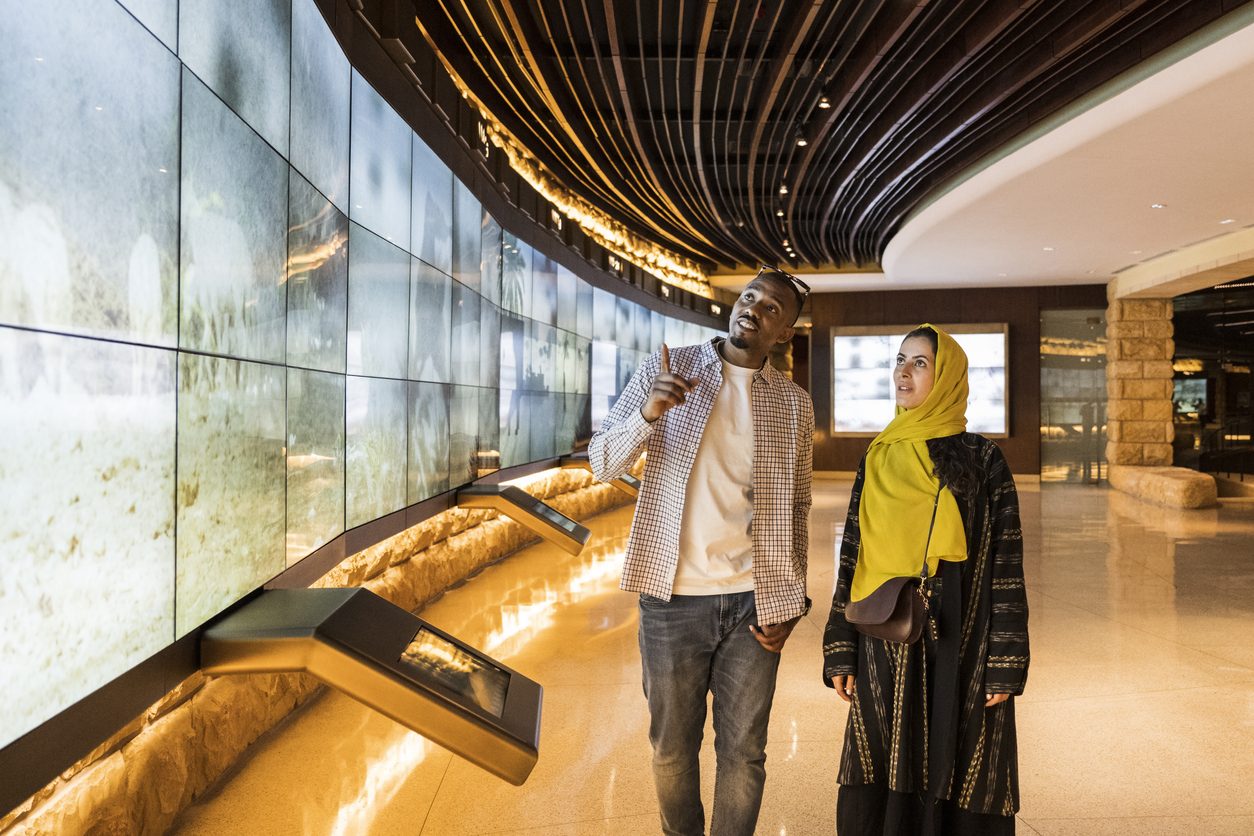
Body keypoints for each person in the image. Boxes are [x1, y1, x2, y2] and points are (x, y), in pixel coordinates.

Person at [589, 268, 815, 836]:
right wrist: (648, 415)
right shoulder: (669, 368)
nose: (753, 309)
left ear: (784, 333)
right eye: (749, 297)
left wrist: (792, 601)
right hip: (672, 598)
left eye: (771, 308)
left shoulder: (793, 404)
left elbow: (798, 507)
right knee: (672, 749)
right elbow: (602, 462)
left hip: (753, 603)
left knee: (745, 754)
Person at [822, 324, 1029, 835]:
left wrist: (1004, 661)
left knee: (963, 752)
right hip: (885, 636)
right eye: (900, 360)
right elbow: (853, 555)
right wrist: (841, 648)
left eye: (920, 363)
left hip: (964, 636)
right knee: (882, 748)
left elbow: (1006, 563)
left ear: (948, 377)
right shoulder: (878, 455)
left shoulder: (982, 459)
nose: (904, 372)